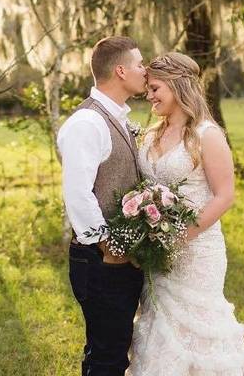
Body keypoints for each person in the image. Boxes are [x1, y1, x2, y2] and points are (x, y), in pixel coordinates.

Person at [128, 52, 244, 376]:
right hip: (157, 255)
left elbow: (225, 196)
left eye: (156, 88)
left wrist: (179, 235)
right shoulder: (151, 133)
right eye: (148, 89)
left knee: (199, 332)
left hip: (198, 253)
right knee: (158, 327)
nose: (149, 96)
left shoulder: (207, 134)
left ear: (178, 86)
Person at [59, 35, 148, 376]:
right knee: (107, 358)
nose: (146, 70)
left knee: (111, 348)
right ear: (121, 70)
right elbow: (78, 193)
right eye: (140, 64)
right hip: (100, 260)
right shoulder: (88, 123)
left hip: (116, 259)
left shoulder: (116, 117)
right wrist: (109, 247)